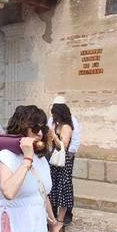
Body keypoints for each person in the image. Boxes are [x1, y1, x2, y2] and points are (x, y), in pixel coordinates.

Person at [48, 96, 81, 225]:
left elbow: (64, 145)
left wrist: (54, 135)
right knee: (53, 188)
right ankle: (52, 217)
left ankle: (61, 221)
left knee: (63, 189)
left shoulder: (67, 125)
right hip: (54, 160)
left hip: (64, 161)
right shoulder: (53, 122)